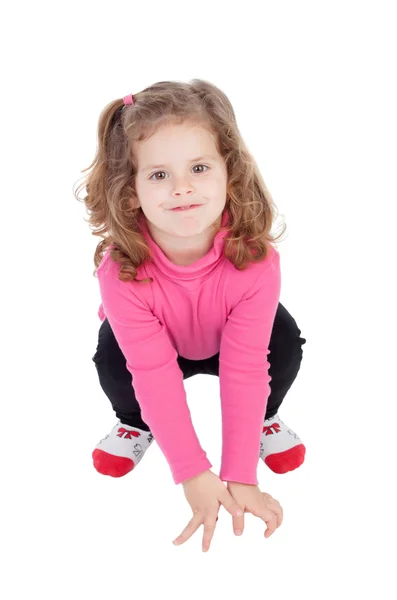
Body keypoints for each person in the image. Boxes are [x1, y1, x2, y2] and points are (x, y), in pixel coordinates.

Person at [75, 79, 307, 552]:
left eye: (199, 168)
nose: (182, 188)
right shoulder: (120, 274)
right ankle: (135, 422)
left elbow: (244, 368)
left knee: (282, 344)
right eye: (158, 175)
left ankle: (266, 416)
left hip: (230, 344)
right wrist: (193, 474)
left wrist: (240, 473)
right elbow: (154, 373)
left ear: (230, 175)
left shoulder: (257, 261)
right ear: (132, 190)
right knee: (111, 359)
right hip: (156, 352)